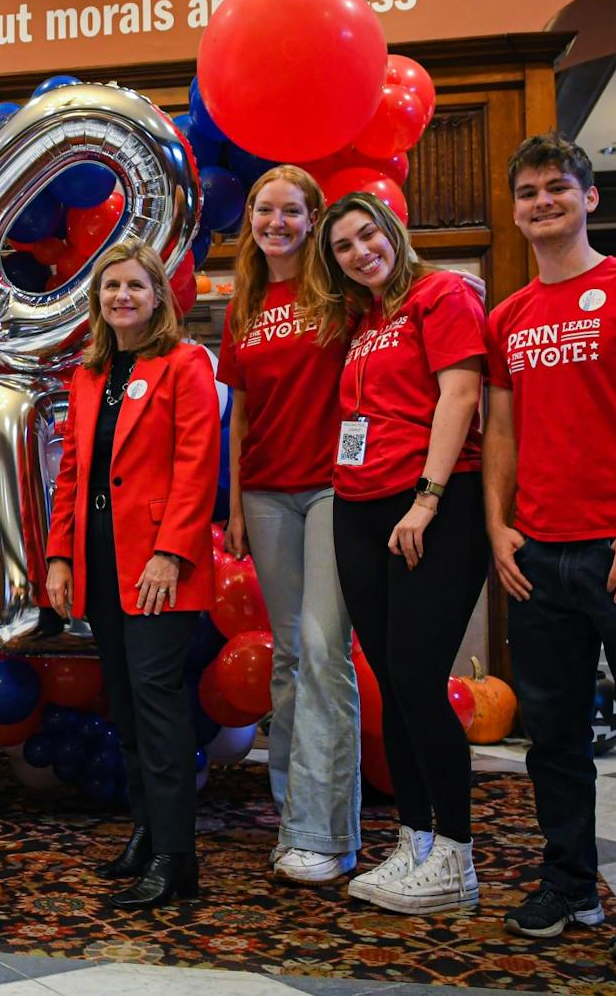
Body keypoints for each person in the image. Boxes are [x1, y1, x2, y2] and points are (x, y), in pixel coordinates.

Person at [483, 133, 616, 962]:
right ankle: (569, 879)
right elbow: (502, 430)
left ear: (589, 198)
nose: (542, 202)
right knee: (553, 738)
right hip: (538, 557)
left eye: (558, 188)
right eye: (529, 192)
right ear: (515, 210)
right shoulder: (508, 316)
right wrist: (499, 526)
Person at [306, 193, 489, 915]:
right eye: (343, 247)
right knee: (393, 681)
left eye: (367, 235)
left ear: (392, 231)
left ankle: (456, 855)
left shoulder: (441, 294)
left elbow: (460, 395)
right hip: (359, 506)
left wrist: (428, 497)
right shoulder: (366, 320)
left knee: (417, 678)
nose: (360, 252)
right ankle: (415, 841)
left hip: (428, 506)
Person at [44, 239, 219, 909]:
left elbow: (198, 464)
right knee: (124, 704)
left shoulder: (185, 362)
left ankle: (177, 857)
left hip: (158, 564)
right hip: (100, 558)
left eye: (135, 286)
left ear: (158, 296)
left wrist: (170, 552)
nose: (122, 296)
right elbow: (71, 472)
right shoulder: (90, 374)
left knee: (156, 702)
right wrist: (59, 556)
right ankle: (146, 833)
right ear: (98, 299)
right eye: (111, 286)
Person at [217, 167, 360, 885]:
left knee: (324, 651)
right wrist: (236, 505)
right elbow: (239, 416)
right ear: (251, 217)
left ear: (313, 219)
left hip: (334, 486)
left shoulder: (338, 293)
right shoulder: (244, 303)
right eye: (265, 209)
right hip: (268, 493)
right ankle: (292, 817)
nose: (277, 222)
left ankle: (327, 832)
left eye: (292, 211)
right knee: (288, 657)